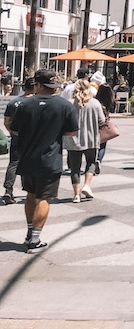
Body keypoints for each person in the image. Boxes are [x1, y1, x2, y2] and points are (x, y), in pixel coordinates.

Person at [11, 69, 78, 253]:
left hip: (27, 158)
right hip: (50, 159)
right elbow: (72, 132)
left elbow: (14, 129)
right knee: (44, 198)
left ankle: (29, 233)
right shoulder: (64, 106)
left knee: (30, 195)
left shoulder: (24, 105)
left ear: (37, 85)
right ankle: (35, 239)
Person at [65, 79, 104, 202]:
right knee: (91, 162)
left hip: (73, 139)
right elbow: (102, 121)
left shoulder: (69, 103)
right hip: (91, 138)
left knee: (75, 167)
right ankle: (87, 185)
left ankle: (76, 194)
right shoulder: (95, 103)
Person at [2, 77, 35, 204]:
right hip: (32, 138)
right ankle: (29, 190)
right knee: (30, 163)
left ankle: (8, 190)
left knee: (14, 163)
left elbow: (6, 121)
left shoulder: (13, 102)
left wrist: (11, 131)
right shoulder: (36, 102)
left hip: (16, 136)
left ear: (23, 88)